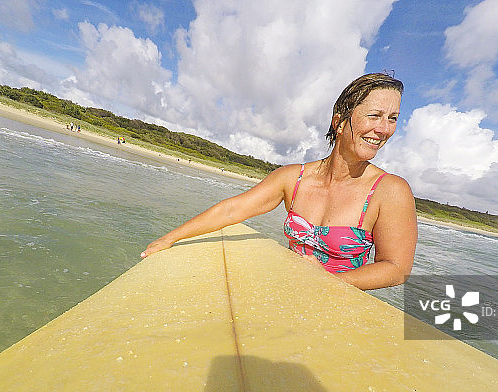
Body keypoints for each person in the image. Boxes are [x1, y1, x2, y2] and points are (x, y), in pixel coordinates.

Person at [141, 73, 417, 290]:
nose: (384, 129)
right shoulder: (293, 178)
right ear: (340, 122)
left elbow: (396, 268)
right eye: (374, 115)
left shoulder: (390, 190)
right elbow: (232, 210)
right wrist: (170, 238)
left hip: (337, 304)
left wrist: (333, 281)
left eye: (393, 119)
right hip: (287, 290)